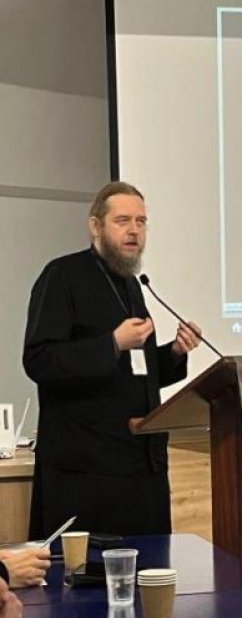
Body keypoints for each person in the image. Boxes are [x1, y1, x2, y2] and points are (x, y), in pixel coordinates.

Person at [23, 182, 201, 539]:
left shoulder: (131, 284)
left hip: (141, 468)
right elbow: (39, 360)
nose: (134, 230)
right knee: (88, 571)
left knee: (148, 567)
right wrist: (112, 343)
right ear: (95, 226)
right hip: (86, 472)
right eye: (122, 221)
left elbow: (135, 372)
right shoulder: (62, 275)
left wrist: (174, 353)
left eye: (141, 221)